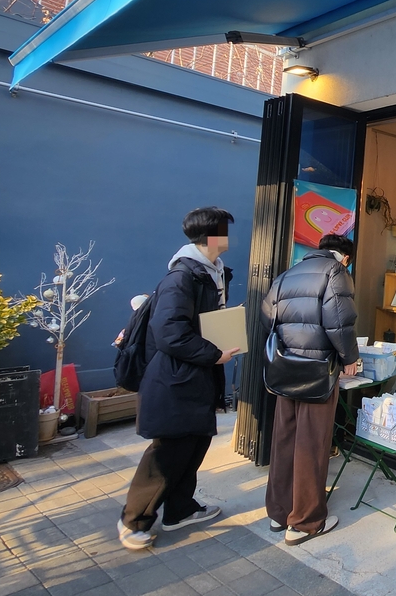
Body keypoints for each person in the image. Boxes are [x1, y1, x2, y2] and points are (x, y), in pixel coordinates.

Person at [118, 206, 241, 550]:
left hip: (194, 374)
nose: (229, 238)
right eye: (225, 231)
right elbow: (168, 331)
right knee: (170, 449)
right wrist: (214, 354)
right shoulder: (183, 277)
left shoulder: (211, 273)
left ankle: (180, 510)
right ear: (213, 236)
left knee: (195, 443)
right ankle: (133, 520)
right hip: (177, 377)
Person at [261, 234, 360, 545]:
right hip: (318, 371)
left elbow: (268, 318)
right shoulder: (336, 273)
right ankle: (305, 521)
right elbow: (340, 323)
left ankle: (279, 513)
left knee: (285, 439)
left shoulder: (287, 274)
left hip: (286, 367)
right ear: (345, 257)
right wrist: (350, 358)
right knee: (312, 444)